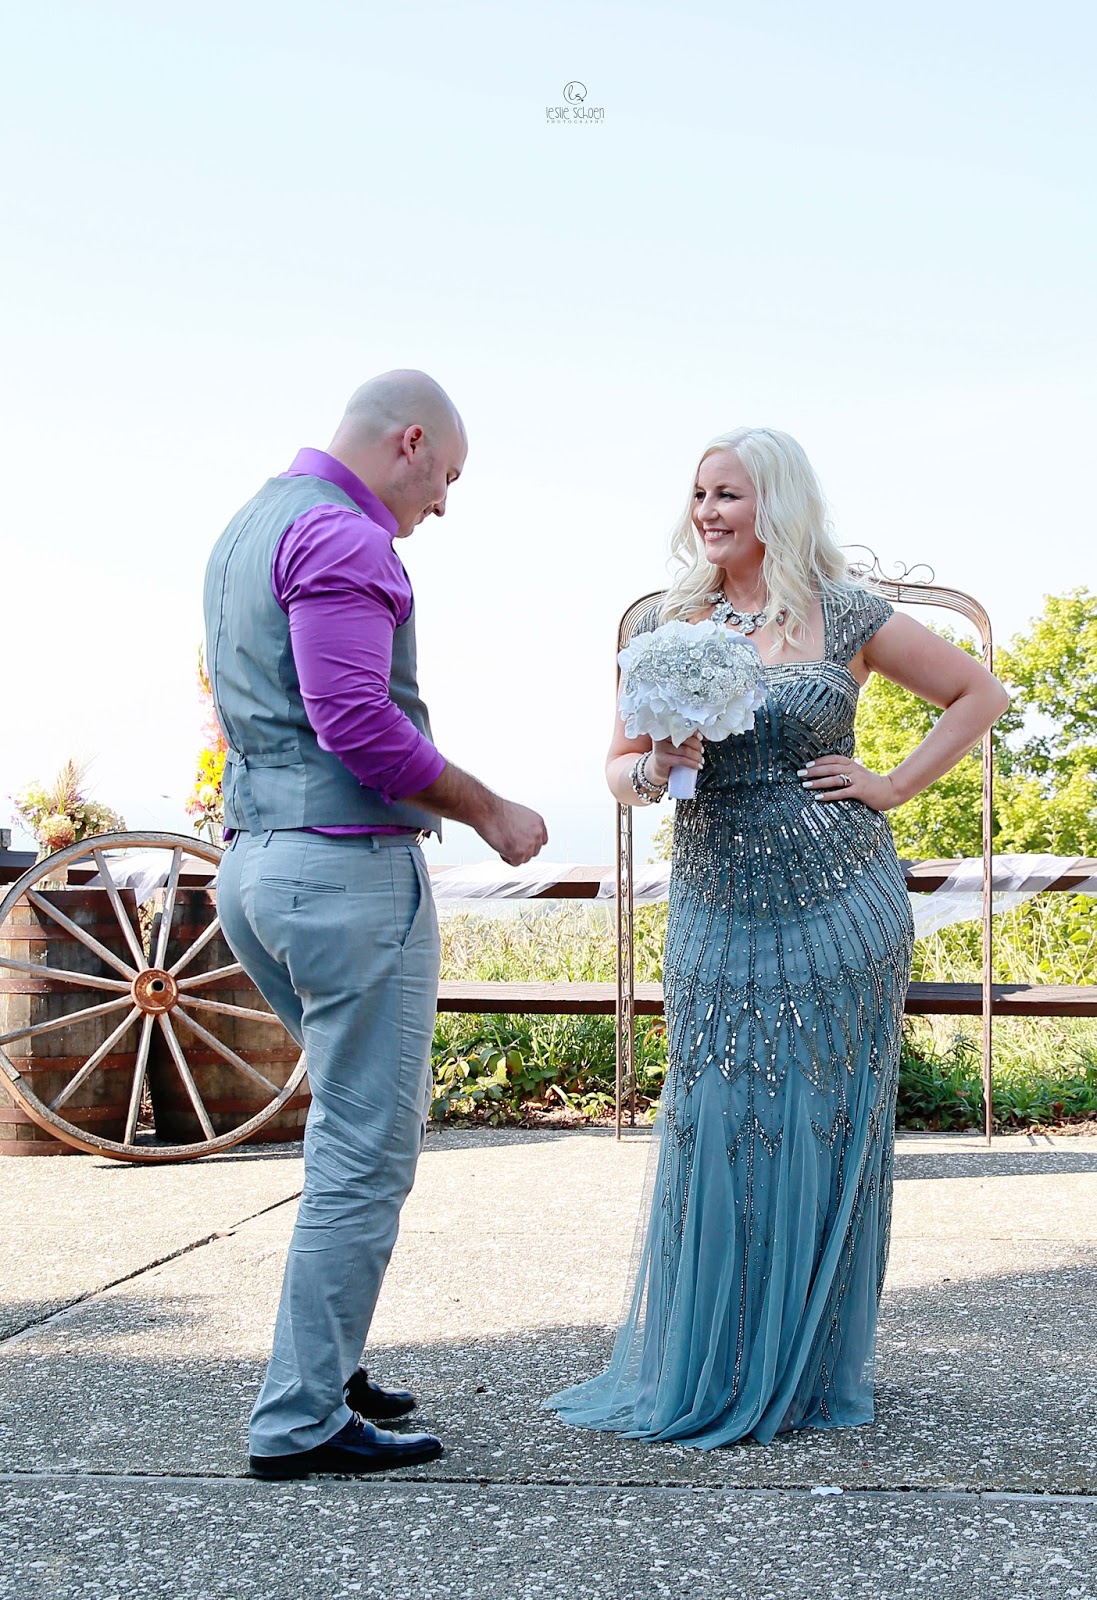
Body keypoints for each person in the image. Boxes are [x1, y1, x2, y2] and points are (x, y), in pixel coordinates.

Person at [547, 426, 1008, 1447]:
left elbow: (979, 692)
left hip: (841, 905)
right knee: (712, 1114)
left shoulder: (845, 612)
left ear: (776, 504)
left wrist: (891, 784)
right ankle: (716, 1359)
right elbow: (618, 772)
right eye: (698, 493)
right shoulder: (667, 622)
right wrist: (655, 765)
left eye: (729, 494)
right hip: (715, 901)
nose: (707, 511)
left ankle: (801, 1365)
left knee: (820, 1120)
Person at [204, 371, 548, 1479]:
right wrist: (489, 808)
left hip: (254, 864)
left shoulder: (250, 525)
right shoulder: (346, 537)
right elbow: (353, 718)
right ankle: (299, 1418)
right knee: (364, 1149)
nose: (441, 504)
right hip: (341, 873)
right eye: (445, 477)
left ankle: (332, 1360)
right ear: (409, 442)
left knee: (340, 1129)